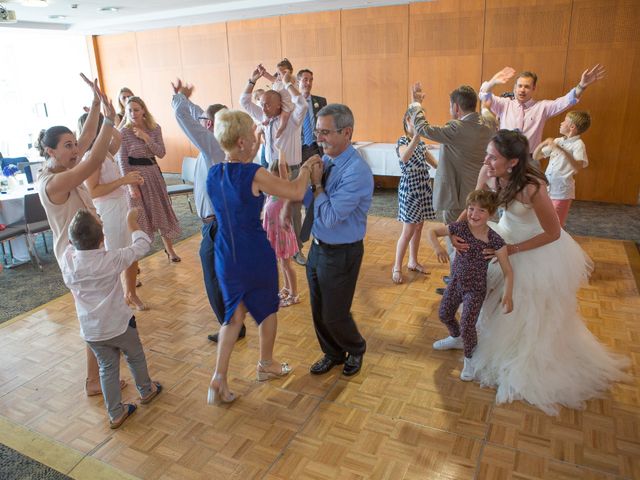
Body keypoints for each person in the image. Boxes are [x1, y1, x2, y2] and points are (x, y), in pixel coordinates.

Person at [461, 129, 628, 415]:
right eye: (488, 155)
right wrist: (456, 229)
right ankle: (476, 338)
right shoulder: (488, 172)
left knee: (528, 312)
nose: (486, 160)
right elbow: (475, 204)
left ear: (513, 162)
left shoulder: (533, 187)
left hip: (534, 247)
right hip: (505, 235)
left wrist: (512, 250)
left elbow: (553, 232)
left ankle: (522, 358)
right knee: (492, 298)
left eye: (493, 156)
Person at [205, 109, 321, 405]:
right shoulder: (252, 173)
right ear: (241, 142)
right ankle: (266, 364)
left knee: (233, 317)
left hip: (225, 254)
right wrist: (307, 168)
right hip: (253, 252)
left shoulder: (213, 173)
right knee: (267, 309)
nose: (258, 142)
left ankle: (219, 377)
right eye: (255, 137)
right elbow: (295, 191)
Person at [36, 73, 125, 397]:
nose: (76, 148)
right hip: (75, 259)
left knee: (101, 317)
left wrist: (99, 106)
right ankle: (94, 379)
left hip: (89, 251)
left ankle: (96, 378)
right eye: (68, 145)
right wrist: (110, 122)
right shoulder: (52, 182)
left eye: (75, 143)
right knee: (96, 320)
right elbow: (92, 161)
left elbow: (88, 139)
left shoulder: (64, 164)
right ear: (50, 151)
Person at [61, 209, 161, 429]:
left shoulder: (67, 262)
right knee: (135, 357)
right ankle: (146, 390)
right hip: (120, 325)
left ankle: (115, 413)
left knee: (107, 368)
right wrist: (131, 223)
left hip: (92, 332)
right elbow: (142, 245)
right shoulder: (112, 259)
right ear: (103, 238)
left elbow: (68, 247)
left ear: (71, 240)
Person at [301, 104, 373, 377]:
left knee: (335, 313)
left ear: (347, 133)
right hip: (318, 247)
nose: (319, 138)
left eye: (325, 133)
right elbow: (312, 205)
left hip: (342, 252)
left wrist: (317, 185)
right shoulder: (328, 161)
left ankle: (356, 348)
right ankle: (332, 353)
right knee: (318, 310)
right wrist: (307, 183)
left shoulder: (356, 171)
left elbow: (330, 217)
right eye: (318, 132)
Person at [170, 79, 243, 343]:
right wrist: (190, 101)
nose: (201, 121)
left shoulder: (212, 144)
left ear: (210, 125)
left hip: (216, 226)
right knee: (224, 277)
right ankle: (234, 325)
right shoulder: (216, 143)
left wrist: (179, 97)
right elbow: (198, 112)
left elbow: (183, 116)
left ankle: (229, 327)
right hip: (219, 223)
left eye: (205, 119)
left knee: (213, 279)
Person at [407, 82, 494, 293]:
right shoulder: (489, 124)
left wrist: (416, 103)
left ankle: (458, 284)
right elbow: (487, 112)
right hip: (479, 193)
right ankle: (467, 279)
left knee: (456, 239)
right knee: (473, 238)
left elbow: (422, 128)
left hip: (456, 196)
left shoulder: (457, 128)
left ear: (456, 107)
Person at [427, 190, 513, 380]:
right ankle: (456, 338)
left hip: (475, 289)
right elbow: (432, 231)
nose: (474, 214)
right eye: (471, 209)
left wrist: (507, 295)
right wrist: (437, 246)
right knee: (444, 314)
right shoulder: (460, 227)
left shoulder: (495, 240)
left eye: (481, 211)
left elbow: (508, 271)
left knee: (468, 324)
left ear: (490, 214)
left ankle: (470, 358)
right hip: (456, 283)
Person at [240, 64, 309, 265]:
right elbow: (244, 101)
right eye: (261, 103)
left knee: (293, 213)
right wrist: (252, 80)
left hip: (290, 171)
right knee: (271, 210)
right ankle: (274, 244)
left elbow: (302, 104)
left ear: (279, 105)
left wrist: (288, 84)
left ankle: (296, 250)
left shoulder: (293, 120)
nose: (263, 108)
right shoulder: (263, 116)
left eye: (267, 104)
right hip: (269, 171)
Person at [78, 113, 146, 310]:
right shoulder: (91, 158)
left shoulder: (105, 152)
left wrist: (108, 117)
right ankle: (115, 299)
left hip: (121, 204)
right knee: (115, 255)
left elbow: (119, 138)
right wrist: (124, 181)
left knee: (131, 252)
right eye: (103, 127)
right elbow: (93, 191)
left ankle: (131, 293)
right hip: (108, 210)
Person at [479, 65, 605, 166]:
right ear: (515, 88)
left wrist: (581, 86)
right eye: (520, 86)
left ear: (534, 88)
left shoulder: (542, 107)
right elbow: (483, 95)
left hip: (530, 160)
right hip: (505, 158)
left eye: (527, 87)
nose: (522, 90)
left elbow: (566, 101)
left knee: (530, 196)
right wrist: (492, 82)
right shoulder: (504, 104)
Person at [117, 96, 182, 262]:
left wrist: (146, 137)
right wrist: (131, 185)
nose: (133, 113)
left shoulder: (154, 128)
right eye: (129, 110)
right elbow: (122, 161)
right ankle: (135, 261)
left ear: (143, 110)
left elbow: (160, 152)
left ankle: (169, 249)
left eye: (136, 109)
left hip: (153, 175)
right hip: (135, 177)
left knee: (160, 213)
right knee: (138, 217)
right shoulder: (123, 132)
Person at [391, 113, 437, 284]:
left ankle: (413, 261)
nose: (419, 123)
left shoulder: (421, 143)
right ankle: (397, 266)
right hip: (410, 187)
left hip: (423, 186)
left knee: (418, 227)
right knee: (408, 230)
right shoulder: (403, 140)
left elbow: (433, 163)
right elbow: (404, 157)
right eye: (415, 120)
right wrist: (417, 137)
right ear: (407, 122)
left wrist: (444, 169)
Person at [533, 111, 591, 227]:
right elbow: (536, 156)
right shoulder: (557, 141)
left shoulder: (578, 144)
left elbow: (577, 166)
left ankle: (557, 243)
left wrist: (561, 150)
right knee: (542, 221)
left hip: (562, 192)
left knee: (556, 223)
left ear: (572, 127)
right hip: (548, 189)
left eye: (564, 121)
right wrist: (543, 144)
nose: (561, 123)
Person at [263, 156, 300, 307]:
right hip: (275, 234)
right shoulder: (273, 190)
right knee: (281, 263)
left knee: (286, 265)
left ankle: (294, 294)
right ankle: (286, 287)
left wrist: (280, 149)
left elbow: (282, 168)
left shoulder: (285, 188)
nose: (272, 178)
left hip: (282, 235)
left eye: (275, 174)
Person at [260, 58, 295, 139]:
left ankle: (281, 128)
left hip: (286, 104)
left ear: (287, 72)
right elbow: (270, 78)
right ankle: (268, 120)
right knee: (270, 111)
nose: (278, 76)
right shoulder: (278, 80)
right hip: (277, 102)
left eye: (280, 74)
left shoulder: (291, 79)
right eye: (277, 73)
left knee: (284, 115)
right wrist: (263, 73)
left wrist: (287, 75)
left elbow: (291, 81)